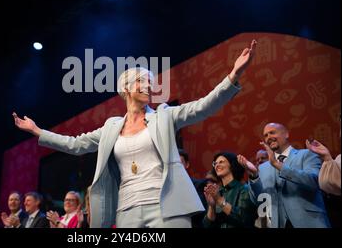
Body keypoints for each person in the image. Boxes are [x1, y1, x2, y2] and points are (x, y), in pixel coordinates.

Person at [13, 40, 257, 228]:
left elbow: (204, 106)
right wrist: (37, 131)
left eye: (150, 82)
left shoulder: (163, 115)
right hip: (127, 208)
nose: (149, 85)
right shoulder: (111, 127)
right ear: (126, 88)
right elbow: (76, 144)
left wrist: (233, 75)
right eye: (142, 81)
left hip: (166, 207)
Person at [237, 123, 330, 228]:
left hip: (309, 221)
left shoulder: (306, 154)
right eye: (265, 135)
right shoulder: (263, 168)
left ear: (286, 134)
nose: (268, 137)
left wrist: (278, 165)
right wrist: (254, 176)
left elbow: (314, 181)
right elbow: (259, 200)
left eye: (272, 132)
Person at [203, 152, 256, 228]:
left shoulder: (244, 189)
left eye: (221, 162)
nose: (217, 165)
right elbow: (207, 225)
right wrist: (212, 207)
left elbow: (244, 219)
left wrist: (220, 201)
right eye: (215, 163)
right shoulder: (216, 192)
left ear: (232, 165)